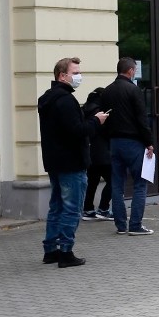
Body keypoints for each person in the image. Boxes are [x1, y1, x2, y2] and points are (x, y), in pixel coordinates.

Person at [37, 57, 108, 267]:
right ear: (62, 75)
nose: (79, 76)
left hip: (55, 161)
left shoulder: (48, 98)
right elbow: (77, 131)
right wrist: (96, 121)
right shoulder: (66, 101)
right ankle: (66, 252)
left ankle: (51, 249)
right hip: (71, 162)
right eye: (75, 72)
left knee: (57, 206)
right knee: (71, 208)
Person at [101, 57, 155, 235]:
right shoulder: (133, 90)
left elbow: (104, 118)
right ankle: (136, 225)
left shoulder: (107, 91)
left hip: (115, 143)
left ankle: (121, 226)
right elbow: (141, 119)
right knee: (140, 183)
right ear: (131, 71)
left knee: (117, 184)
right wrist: (149, 142)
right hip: (133, 143)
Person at [81, 87, 114, 221]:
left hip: (90, 152)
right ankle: (104, 208)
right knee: (115, 179)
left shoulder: (84, 109)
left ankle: (88, 209)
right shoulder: (101, 112)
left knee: (92, 181)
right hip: (103, 152)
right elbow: (106, 131)